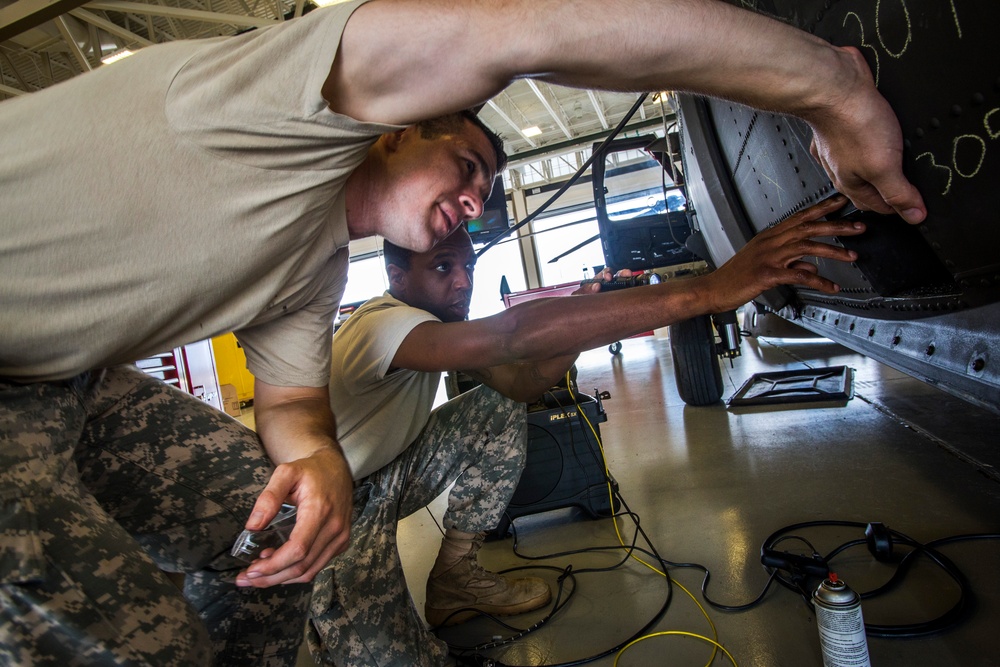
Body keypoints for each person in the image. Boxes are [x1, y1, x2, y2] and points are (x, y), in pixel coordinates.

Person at [0, 0, 923, 662]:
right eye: (468, 161)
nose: (478, 202)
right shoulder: (271, 103)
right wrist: (826, 90)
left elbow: (289, 403)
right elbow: (526, 27)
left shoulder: (306, 269)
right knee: (136, 641)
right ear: (398, 129)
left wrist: (314, 453)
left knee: (265, 518)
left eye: (487, 190)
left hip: (60, 380)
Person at [306, 194, 869, 667]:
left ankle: (455, 576)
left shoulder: (439, 326)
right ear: (395, 275)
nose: (462, 282)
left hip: (390, 472)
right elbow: (512, 337)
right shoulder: (386, 325)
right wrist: (713, 289)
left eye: (467, 266)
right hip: (330, 505)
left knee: (494, 408)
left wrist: (575, 325)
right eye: (442, 268)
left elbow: (522, 385)